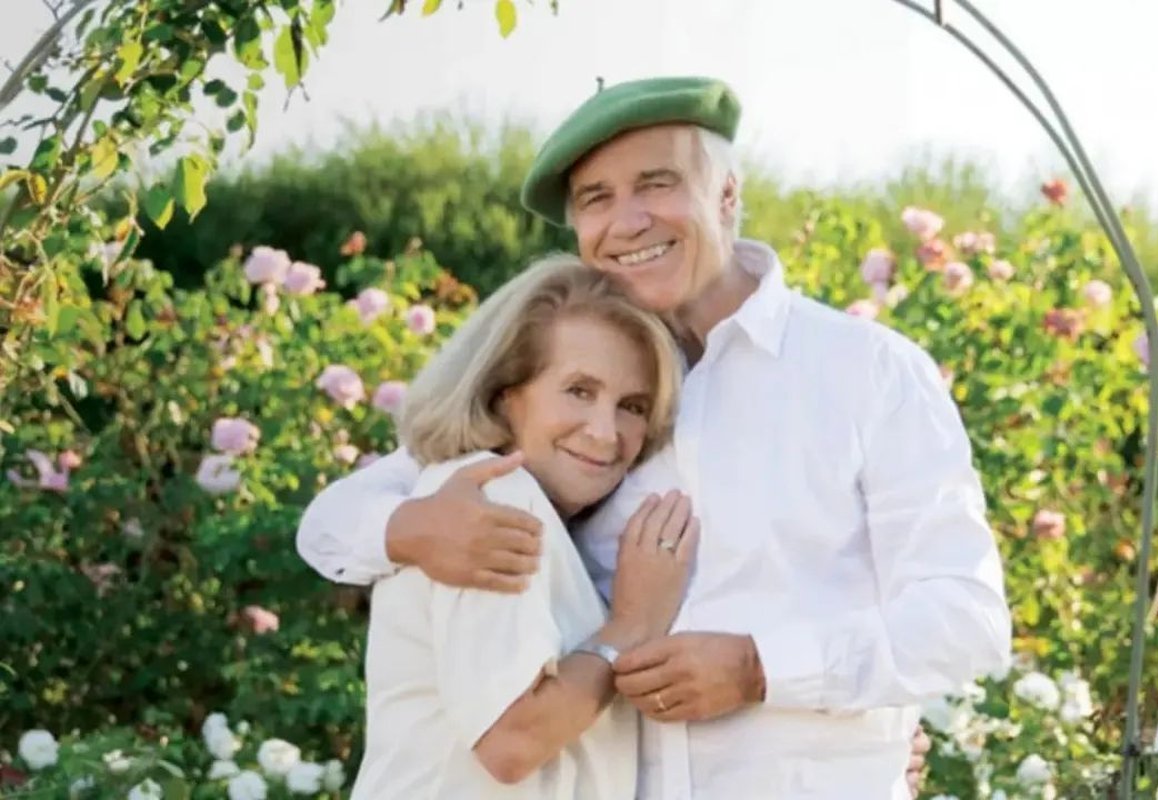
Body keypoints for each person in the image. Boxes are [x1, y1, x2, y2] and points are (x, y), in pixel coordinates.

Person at [301, 76, 1010, 798]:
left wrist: (762, 668)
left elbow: (964, 617)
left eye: (657, 184)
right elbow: (334, 523)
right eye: (595, 199)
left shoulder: (868, 373)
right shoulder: (571, 397)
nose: (628, 221)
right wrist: (410, 531)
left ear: (727, 194)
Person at [352, 254, 698, 798]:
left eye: (631, 406)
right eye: (580, 391)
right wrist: (633, 625)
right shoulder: (491, 497)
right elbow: (511, 741)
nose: (606, 433)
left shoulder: (534, 511)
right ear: (504, 393)